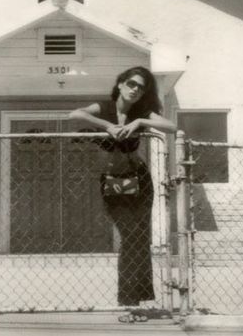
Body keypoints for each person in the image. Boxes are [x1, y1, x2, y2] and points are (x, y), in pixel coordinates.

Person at [69, 66, 176, 322]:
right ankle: (129, 302)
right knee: (130, 236)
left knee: (141, 238)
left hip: (140, 180)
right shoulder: (104, 107)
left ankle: (138, 301)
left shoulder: (140, 112)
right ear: (120, 84)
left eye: (141, 87)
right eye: (131, 84)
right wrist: (106, 125)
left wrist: (140, 122)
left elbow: (170, 126)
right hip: (112, 181)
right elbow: (74, 114)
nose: (135, 89)